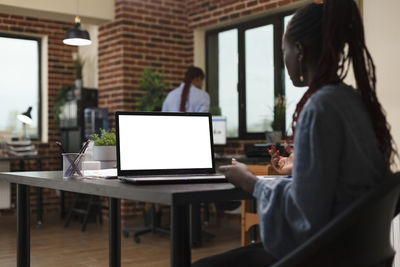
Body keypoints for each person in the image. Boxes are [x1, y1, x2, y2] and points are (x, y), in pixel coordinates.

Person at [192, 0, 397, 266]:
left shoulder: (320, 107)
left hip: (322, 255)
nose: (283, 60)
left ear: (299, 50)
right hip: (355, 253)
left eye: (283, 50)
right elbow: (336, 188)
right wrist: (300, 168)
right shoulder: (353, 100)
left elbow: (305, 216)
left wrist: (251, 182)